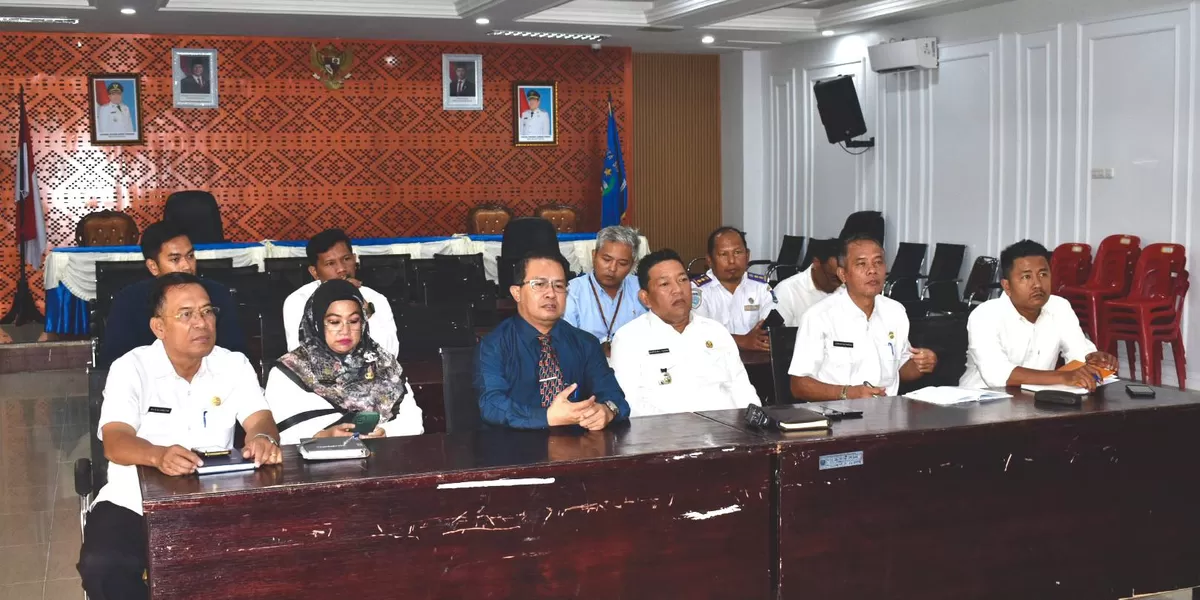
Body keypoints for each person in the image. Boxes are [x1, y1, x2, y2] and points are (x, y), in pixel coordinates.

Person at [77, 273, 282, 600]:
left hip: (217, 497)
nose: (201, 323)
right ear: (159, 327)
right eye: (186, 314)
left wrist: (262, 438)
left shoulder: (233, 364)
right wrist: (158, 455)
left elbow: (261, 419)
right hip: (135, 500)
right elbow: (115, 441)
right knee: (103, 565)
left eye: (207, 312)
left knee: (276, 554)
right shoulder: (131, 368)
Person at [475, 252, 629, 430]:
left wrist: (607, 410)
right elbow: (491, 405)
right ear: (516, 293)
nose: (551, 293)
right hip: (516, 448)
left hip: (580, 448)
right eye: (539, 284)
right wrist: (547, 417)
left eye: (559, 286)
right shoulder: (494, 345)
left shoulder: (585, 343)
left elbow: (614, 396)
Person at [266, 279, 423, 444]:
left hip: (383, 460)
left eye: (354, 321)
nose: (345, 331)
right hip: (317, 465)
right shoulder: (289, 370)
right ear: (317, 323)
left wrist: (386, 432)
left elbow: (414, 422)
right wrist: (321, 437)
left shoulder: (382, 364)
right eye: (334, 322)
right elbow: (280, 436)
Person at [789, 234, 939, 400]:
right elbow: (799, 385)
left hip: (886, 416)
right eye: (861, 264)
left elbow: (901, 369)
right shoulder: (819, 316)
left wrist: (921, 364)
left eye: (878, 262)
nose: (872, 270)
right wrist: (848, 393)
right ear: (843, 274)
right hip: (836, 416)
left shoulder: (895, 312)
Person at [611, 249, 760, 417]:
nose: (678, 290)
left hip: (728, 435)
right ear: (645, 298)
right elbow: (632, 404)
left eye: (682, 280)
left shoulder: (716, 331)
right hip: (666, 438)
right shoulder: (629, 339)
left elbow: (742, 389)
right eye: (665, 284)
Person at [960, 240, 1119, 390]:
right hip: (983, 403)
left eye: (1043, 274)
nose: (1037, 284)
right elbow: (997, 375)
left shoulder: (1059, 307)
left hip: (1036, 402)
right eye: (1026, 277)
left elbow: (1078, 356)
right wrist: (1063, 377)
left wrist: (1094, 361)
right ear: (1007, 286)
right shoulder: (985, 315)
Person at [101, 220, 245, 367]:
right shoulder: (129, 301)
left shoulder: (217, 294)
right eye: (175, 259)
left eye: (190, 256)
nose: (187, 266)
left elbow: (235, 352)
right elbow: (116, 361)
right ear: (153, 267)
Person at [283, 228, 398, 357]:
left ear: (355, 260)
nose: (342, 269)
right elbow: (300, 355)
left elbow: (390, 353)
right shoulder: (298, 301)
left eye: (346, 259)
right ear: (314, 272)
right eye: (330, 263)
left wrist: (364, 306)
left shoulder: (375, 298)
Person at [563, 225, 646, 354]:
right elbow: (566, 343)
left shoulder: (642, 289)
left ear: (633, 264)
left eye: (622, 263)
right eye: (606, 259)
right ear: (594, 255)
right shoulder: (571, 292)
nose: (612, 268)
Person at [692, 227, 776, 351]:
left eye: (737, 253)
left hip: (757, 362)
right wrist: (743, 341)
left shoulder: (761, 287)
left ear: (747, 256)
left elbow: (769, 329)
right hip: (713, 362)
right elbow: (698, 334)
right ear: (709, 260)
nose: (731, 261)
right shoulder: (697, 291)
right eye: (723, 254)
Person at [774, 238, 842, 327]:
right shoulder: (787, 291)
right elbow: (775, 335)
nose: (839, 283)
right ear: (816, 263)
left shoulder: (850, 287)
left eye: (842, 277)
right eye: (833, 278)